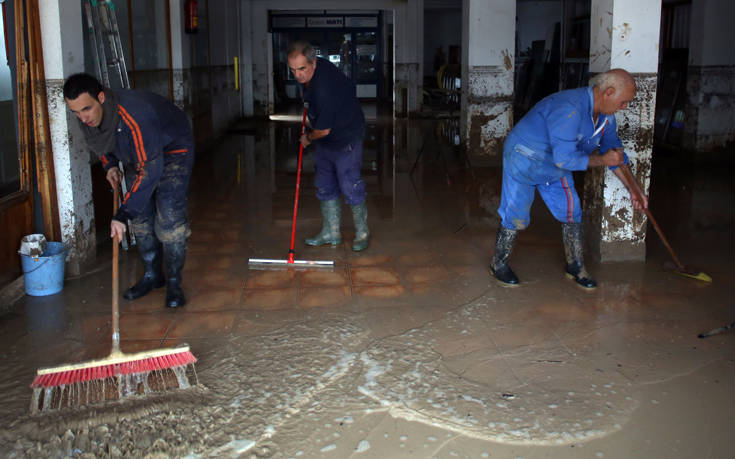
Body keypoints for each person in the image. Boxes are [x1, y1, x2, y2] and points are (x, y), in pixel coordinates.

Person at [491, 68, 648, 289]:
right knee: (516, 213)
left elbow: (615, 154)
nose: (625, 107)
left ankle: (575, 266)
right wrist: (603, 160)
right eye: (624, 102)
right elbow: (568, 161)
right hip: (525, 157)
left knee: (572, 211)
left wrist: (634, 190)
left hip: (557, 162)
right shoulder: (569, 109)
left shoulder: (606, 117)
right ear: (609, 92)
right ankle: (498, 263)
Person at [63, 73, 194, 308]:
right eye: (76, 113)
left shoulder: (135, 115)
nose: (82, 118)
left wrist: (122, 214)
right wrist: (111, 165)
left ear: (101, 98)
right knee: (141, 218)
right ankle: (153, 276)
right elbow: (101, 142)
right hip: (141, 153)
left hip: (173, 148)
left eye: (86, 110)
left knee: (169, 219)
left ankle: (174, 283)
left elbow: (151, 170)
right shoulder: (91, 118)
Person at [287, 41, 369, 251]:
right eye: (293, 70)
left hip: (346, 135)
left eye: (302, 69)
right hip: (327, 134)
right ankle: (331, 232)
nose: (297, 75)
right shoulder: (315, 67)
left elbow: (323, 131)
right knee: (324, 182)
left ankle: (362, 232)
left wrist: (307, 138)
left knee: (350, 183)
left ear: (313, 64)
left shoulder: (325, 88)